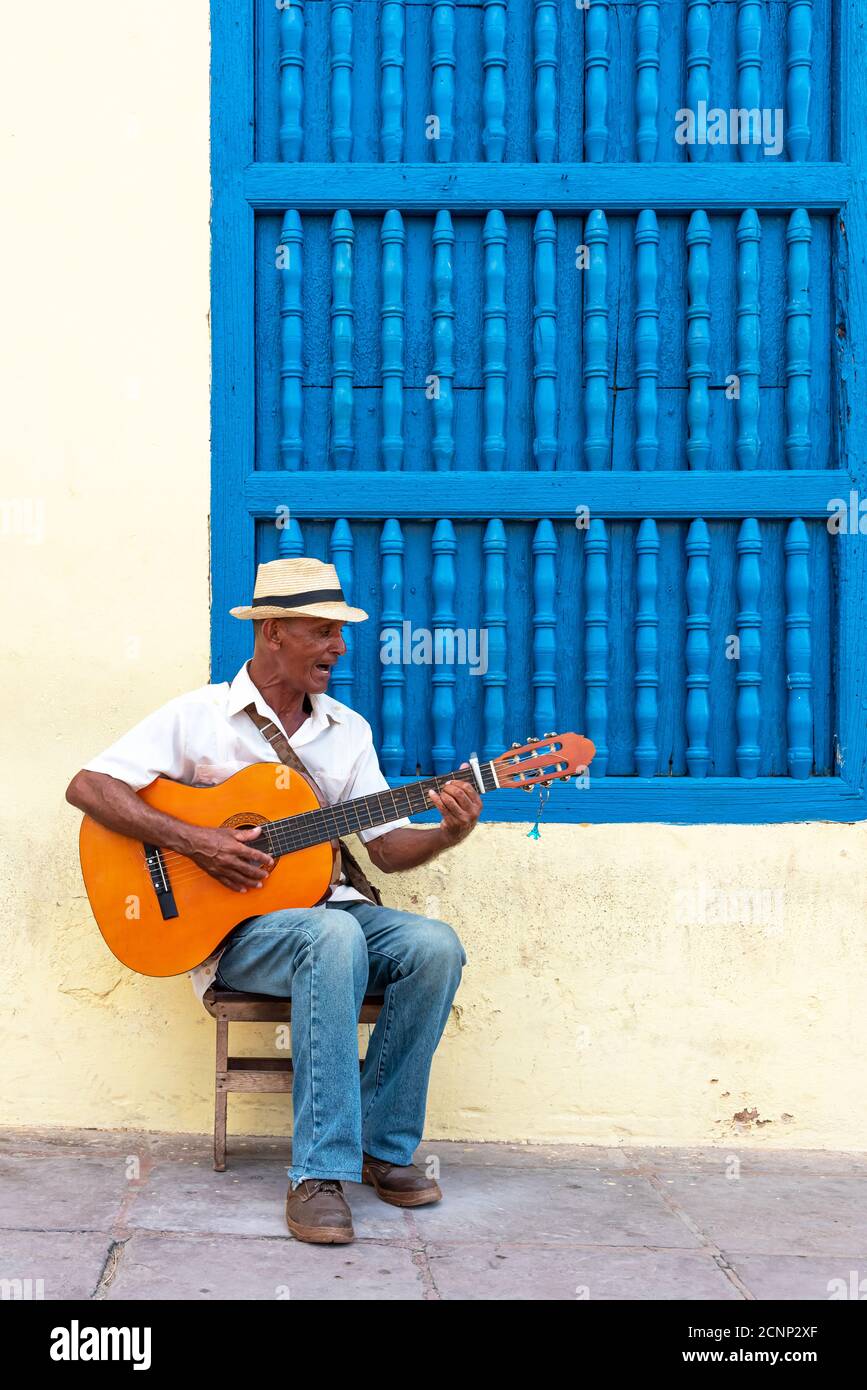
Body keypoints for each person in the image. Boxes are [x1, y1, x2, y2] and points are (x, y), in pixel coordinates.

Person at [65, 556, 482, 1245]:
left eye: (338, 633)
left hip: (334, 913)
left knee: (433, 947)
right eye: (322, 632)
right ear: (273, 634)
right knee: (332, 938)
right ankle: (317, 1173)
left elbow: (384, 848)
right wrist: (198, 841)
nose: (338, 648)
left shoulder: (347, 729)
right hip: (237, 937)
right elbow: (89, 787)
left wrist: (444, 832)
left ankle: (383, 1146)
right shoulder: (198, 716)